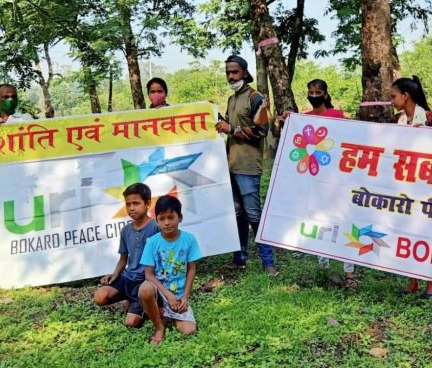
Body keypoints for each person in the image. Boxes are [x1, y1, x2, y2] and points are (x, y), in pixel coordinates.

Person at [274, 79, 356, 287]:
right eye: (311, 92)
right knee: (319, 221)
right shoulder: (304, 119)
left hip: (338, 179)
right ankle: (324, 269)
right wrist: (289, 122)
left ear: (326, 95)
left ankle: (349, 274)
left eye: (318, 92)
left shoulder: (336, 116)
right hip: (314, 180)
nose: (314, 95)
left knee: (344, 223)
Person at [215, 55, 279, 277]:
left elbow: (261, 131)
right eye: (228, 72)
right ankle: (239, 259)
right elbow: (230, 125)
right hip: (231, 166)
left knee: (254, 215)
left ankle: (268, 263)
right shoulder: (233, 99)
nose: (231, 76)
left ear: (244, 72)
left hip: (248, 167)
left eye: (234, 71)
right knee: (238, 215)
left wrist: (231, 129)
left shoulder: (255, 97)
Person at [390, 76, 432, 299]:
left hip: (428, 186)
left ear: (406, 96)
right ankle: (413, 282)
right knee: (408, 232)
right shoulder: (396, 121)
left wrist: (426, 137)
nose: (391, 100)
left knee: (428, 232)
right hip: (404, 185)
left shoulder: (431, 119)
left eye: (393, 96)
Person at [92, 183, 161, 328]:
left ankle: (146, 302)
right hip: (128, 278)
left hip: (146, 283)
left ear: (147, 203)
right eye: (128, 204)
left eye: (136, 203)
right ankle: (129, 299)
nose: (131, 208)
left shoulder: (156, 228)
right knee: (100, 297)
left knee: (131, 324)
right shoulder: (126, 231)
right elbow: (123, 258)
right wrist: (115, 273)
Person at [139, 196, 202, 345]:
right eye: (162, 219)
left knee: (189, 330)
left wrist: (185, 297)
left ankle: (164, 312)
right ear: (157, 220)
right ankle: (159, 327)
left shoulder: (189, 239)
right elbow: (148, 275)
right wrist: (167, 295)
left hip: (179, 294)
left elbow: (191, 270)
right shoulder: (153, 242)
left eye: (171, 217)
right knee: (145, 288)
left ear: (179, 218)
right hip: (159, 291)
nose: (167, 223)